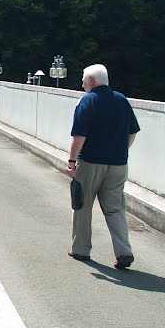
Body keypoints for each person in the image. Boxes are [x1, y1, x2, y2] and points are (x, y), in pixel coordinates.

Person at [65, 64, 140, 269]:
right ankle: (124, 251)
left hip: (90, 163)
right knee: (115, 209)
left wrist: (72, 161)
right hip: (118, 164)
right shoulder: (121, 100)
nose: (81, 84)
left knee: (82, 205)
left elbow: (79, 136)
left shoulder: (87, 102)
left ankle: (81, 249)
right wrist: (120, 149)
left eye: (83, 80)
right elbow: (133, 132)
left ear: (91, 81)